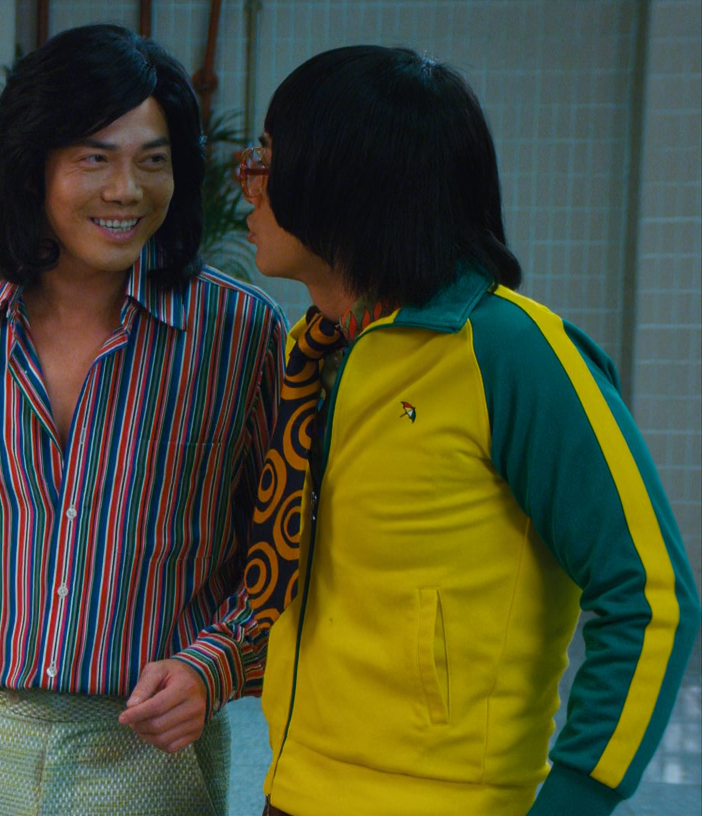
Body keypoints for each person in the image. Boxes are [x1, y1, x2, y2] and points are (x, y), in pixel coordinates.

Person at [239, 46, 698, 815]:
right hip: (293, 788)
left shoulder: (514, 353)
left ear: (341, 180)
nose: (247, 183)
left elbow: (651, 596)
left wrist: (579, 795)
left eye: (267, 161)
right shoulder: (312, 358)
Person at [0, 24, 286, 816]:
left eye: (153, 160)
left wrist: (216, 663)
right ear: (35, 168)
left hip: (151, 752)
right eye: (95, 159)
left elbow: (281, 548)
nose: (126, 190)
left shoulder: (240, 335)